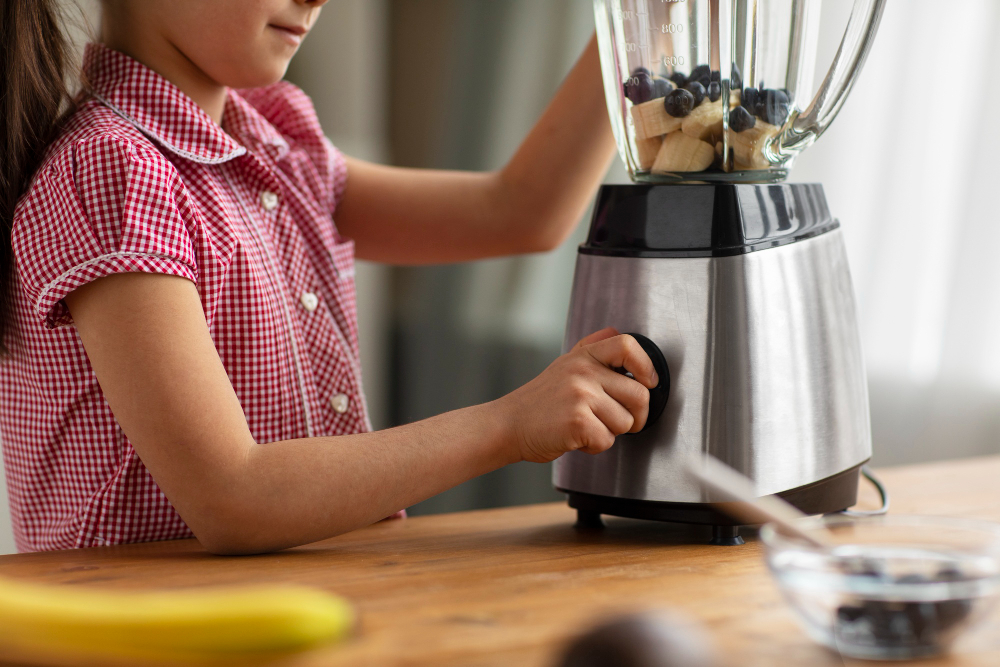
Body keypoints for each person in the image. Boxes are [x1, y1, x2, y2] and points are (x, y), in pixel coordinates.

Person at [0, 0, 657, 554]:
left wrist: (639, 17)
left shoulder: (276, 145)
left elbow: (521, 212)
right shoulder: (111, 168)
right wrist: (512, 423)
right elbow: (232, 494)